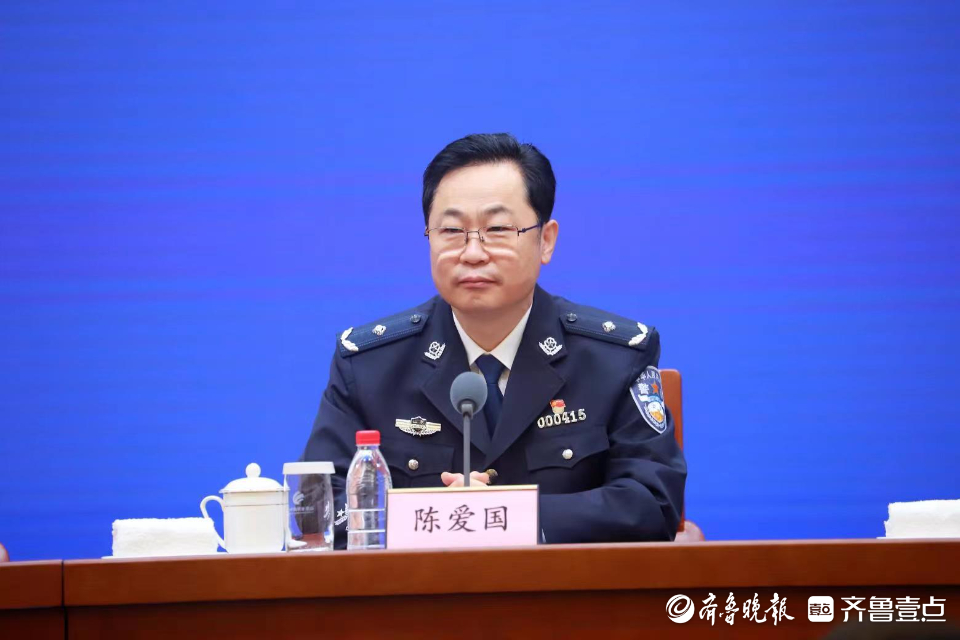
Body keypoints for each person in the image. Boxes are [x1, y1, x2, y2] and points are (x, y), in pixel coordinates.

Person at [301, 133, 686, 546]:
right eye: (451, 230)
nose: (472, 253)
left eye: (498, 229)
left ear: (546, 240)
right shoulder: (369, 366)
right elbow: (315, 508)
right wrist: (437, 519)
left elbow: (651, 504)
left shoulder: (614, 358)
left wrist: (509, 517)